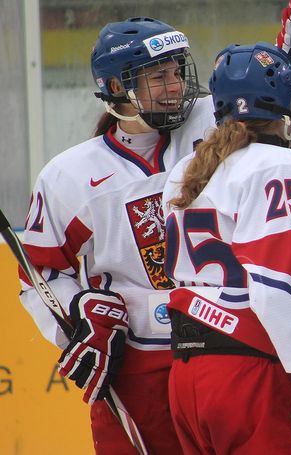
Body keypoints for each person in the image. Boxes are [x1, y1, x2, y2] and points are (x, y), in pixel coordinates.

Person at [18, 17, 215, 454]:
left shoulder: (213, 126)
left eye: (178, 72)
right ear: (115, 87)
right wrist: (77, 311)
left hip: (224, 349)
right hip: (136, 364)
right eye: (158, 77)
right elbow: (39, 271)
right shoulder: (70, 175)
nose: (176, 86)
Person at [161, 41, 291, 454]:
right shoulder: (281, 166)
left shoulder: (185, 169)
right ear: (285, 103)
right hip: (254, 370)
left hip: (187, 376)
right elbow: (274, 284)